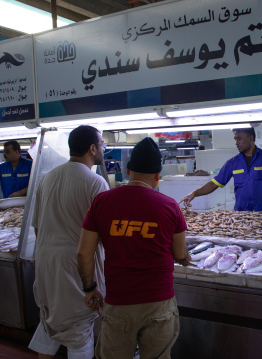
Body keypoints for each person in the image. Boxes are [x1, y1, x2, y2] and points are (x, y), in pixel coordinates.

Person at [77, 137, 190, 359]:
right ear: (158, 176)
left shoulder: (102, 201)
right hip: (159, 302)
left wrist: (89, 288)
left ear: (128, 170)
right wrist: (185, 257)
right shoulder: (170, 206)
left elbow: (83, 253)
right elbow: (179, 253)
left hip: (120, 302)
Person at [28, 125, 109, 359]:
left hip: (45, 261)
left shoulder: (47, 178)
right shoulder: (95, 182)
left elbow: (36, 225)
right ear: (92, 149)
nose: (103, 148)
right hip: (75, 266)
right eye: (102, 144)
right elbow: (102, 235)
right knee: (79, 328)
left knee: (50, 319)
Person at [180, 128, 262, 218]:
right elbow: (214, 184)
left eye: (239, 139)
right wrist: (194, 193)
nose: (236, 142)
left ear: (250, 138)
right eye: (235, 139)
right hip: (241, 216)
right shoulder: (232, 163)